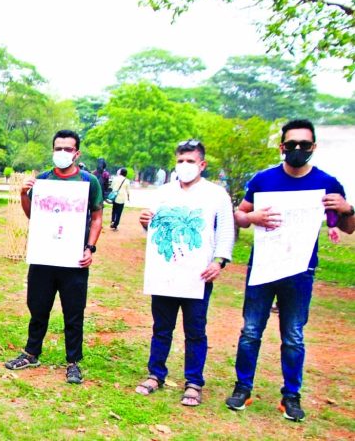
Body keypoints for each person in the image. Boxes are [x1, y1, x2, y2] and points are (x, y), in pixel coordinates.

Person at [226, 119, 354, 422]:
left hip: (300, 270)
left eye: (304, 145)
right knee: (250, 331)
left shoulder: (328, 182)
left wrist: (347, 209)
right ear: (282, 147)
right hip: (263, 267)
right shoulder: (263, 180)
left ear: (313, 148)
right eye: (292, 144)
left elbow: (348, 228)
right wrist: (252, 216)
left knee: (294, 335)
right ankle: (242, 388)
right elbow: (240, 216)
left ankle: (291, 396)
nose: (298, 149)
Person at [135, 140, 234, 406]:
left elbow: (225, 231)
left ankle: (193, 382)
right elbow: (153, 228)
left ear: (202, 164)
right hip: (165, 273)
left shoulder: (216, 195)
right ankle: (156, 374)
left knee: (195, 330)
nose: (184, 166)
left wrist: (219, 262)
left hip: (197, 275)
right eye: (180, 161)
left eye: (190, 161)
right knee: (161, 328)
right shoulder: (163, 192)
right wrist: (145, 222)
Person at [4, 130, 103, 384]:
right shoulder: (43, 181)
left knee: (73, 311)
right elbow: (32, 216)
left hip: (73, 260)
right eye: (58, 148)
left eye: (68, 149)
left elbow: (97, 217)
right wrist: (23, 195)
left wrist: (89, 248)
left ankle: (73, 362)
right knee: (37, 307)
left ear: (77, 153)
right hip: (44, 256)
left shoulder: (89, 182)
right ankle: (31, 352)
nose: (62, 153)